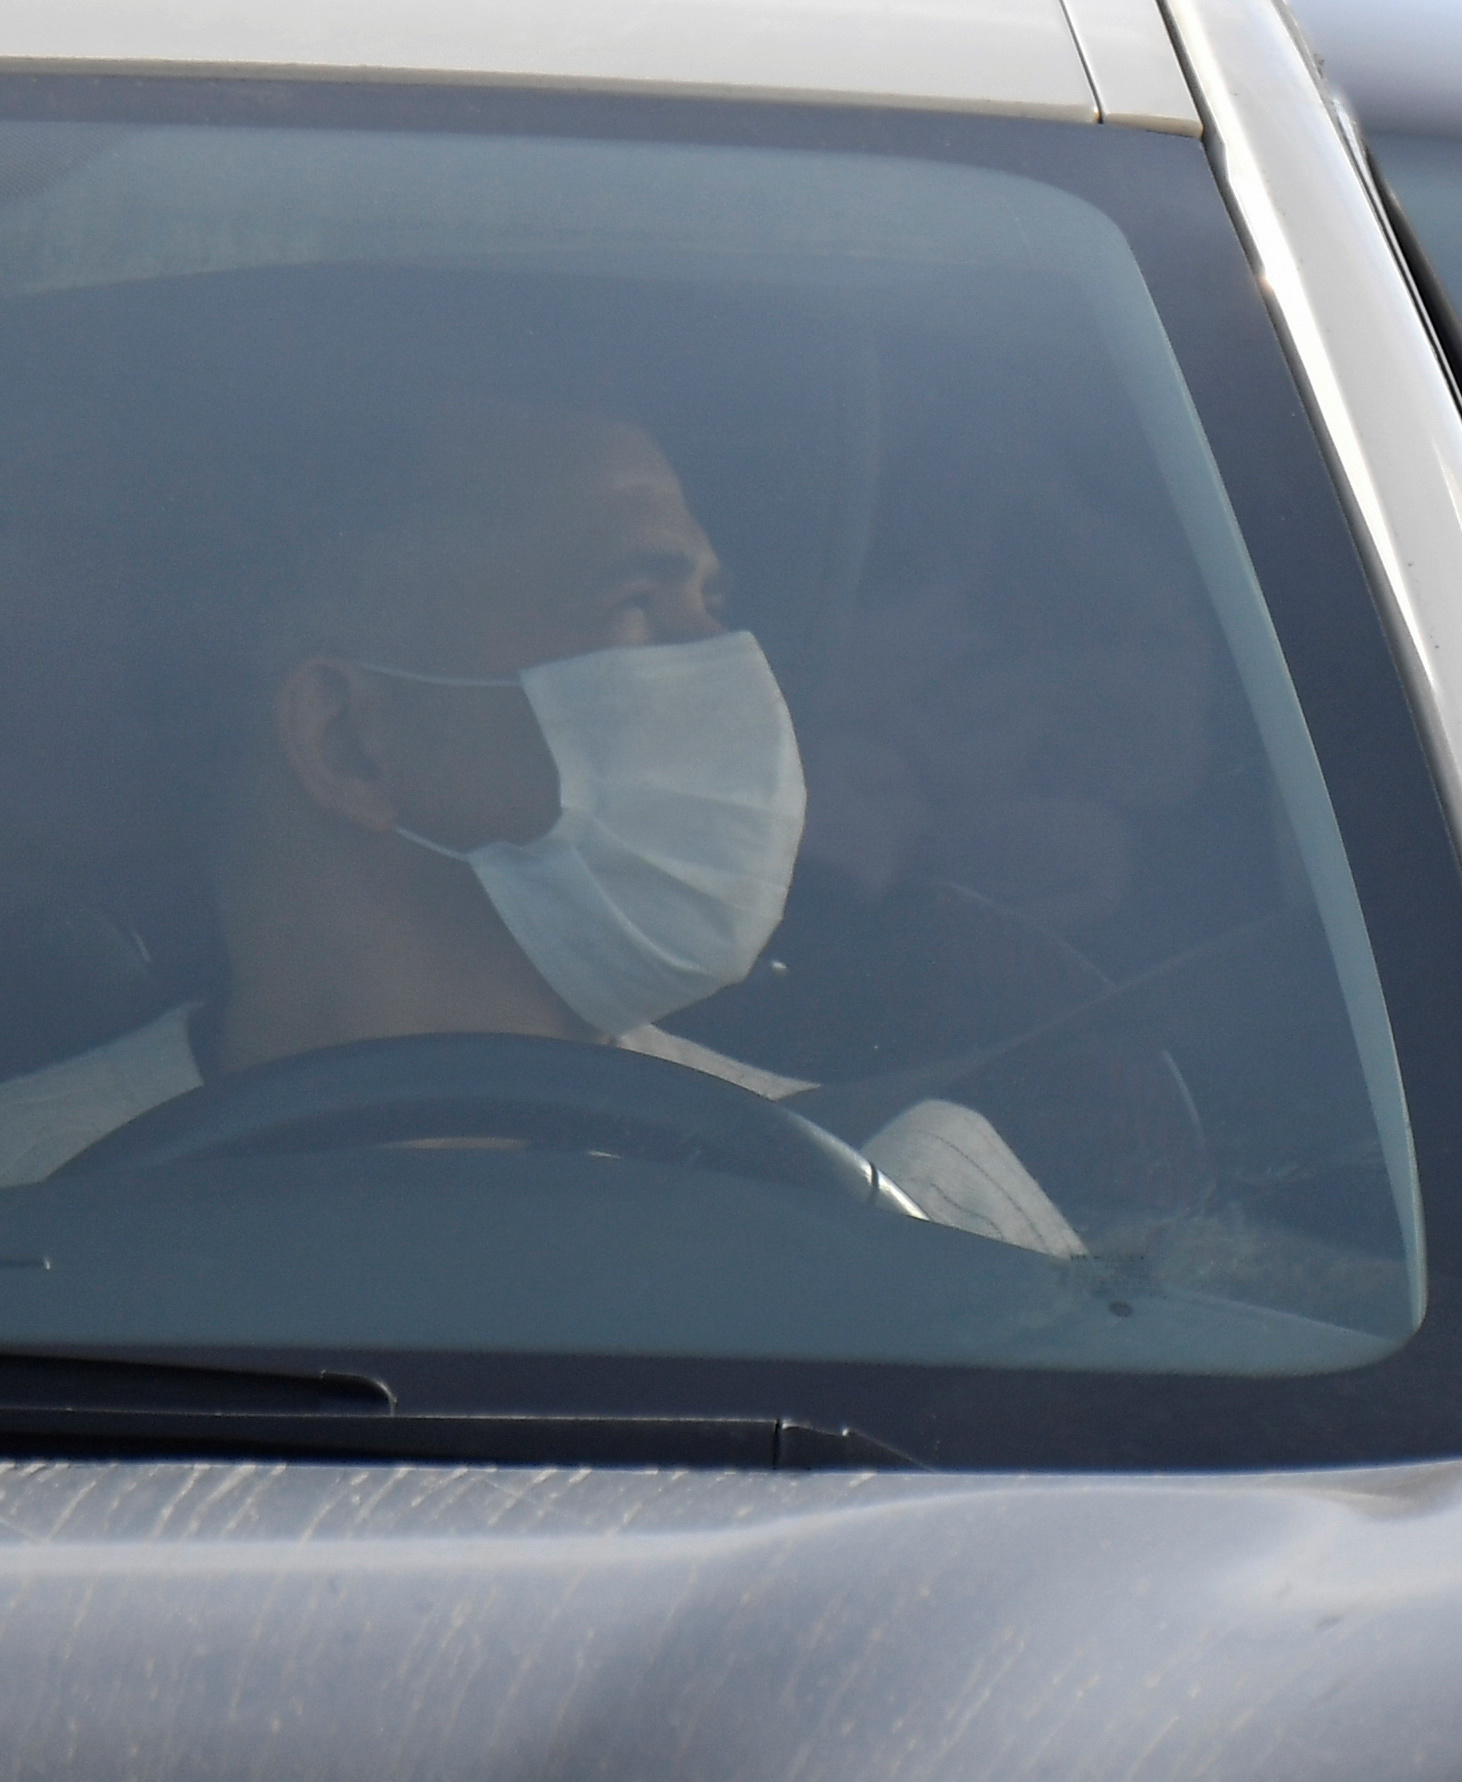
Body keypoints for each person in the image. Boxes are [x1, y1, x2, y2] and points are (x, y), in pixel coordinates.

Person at [0, 379, 1077, 1257]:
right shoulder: (28, 1197)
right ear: (348, 740)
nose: (731, 673)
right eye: (638, 601)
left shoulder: (916, 1200)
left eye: (716, 603)